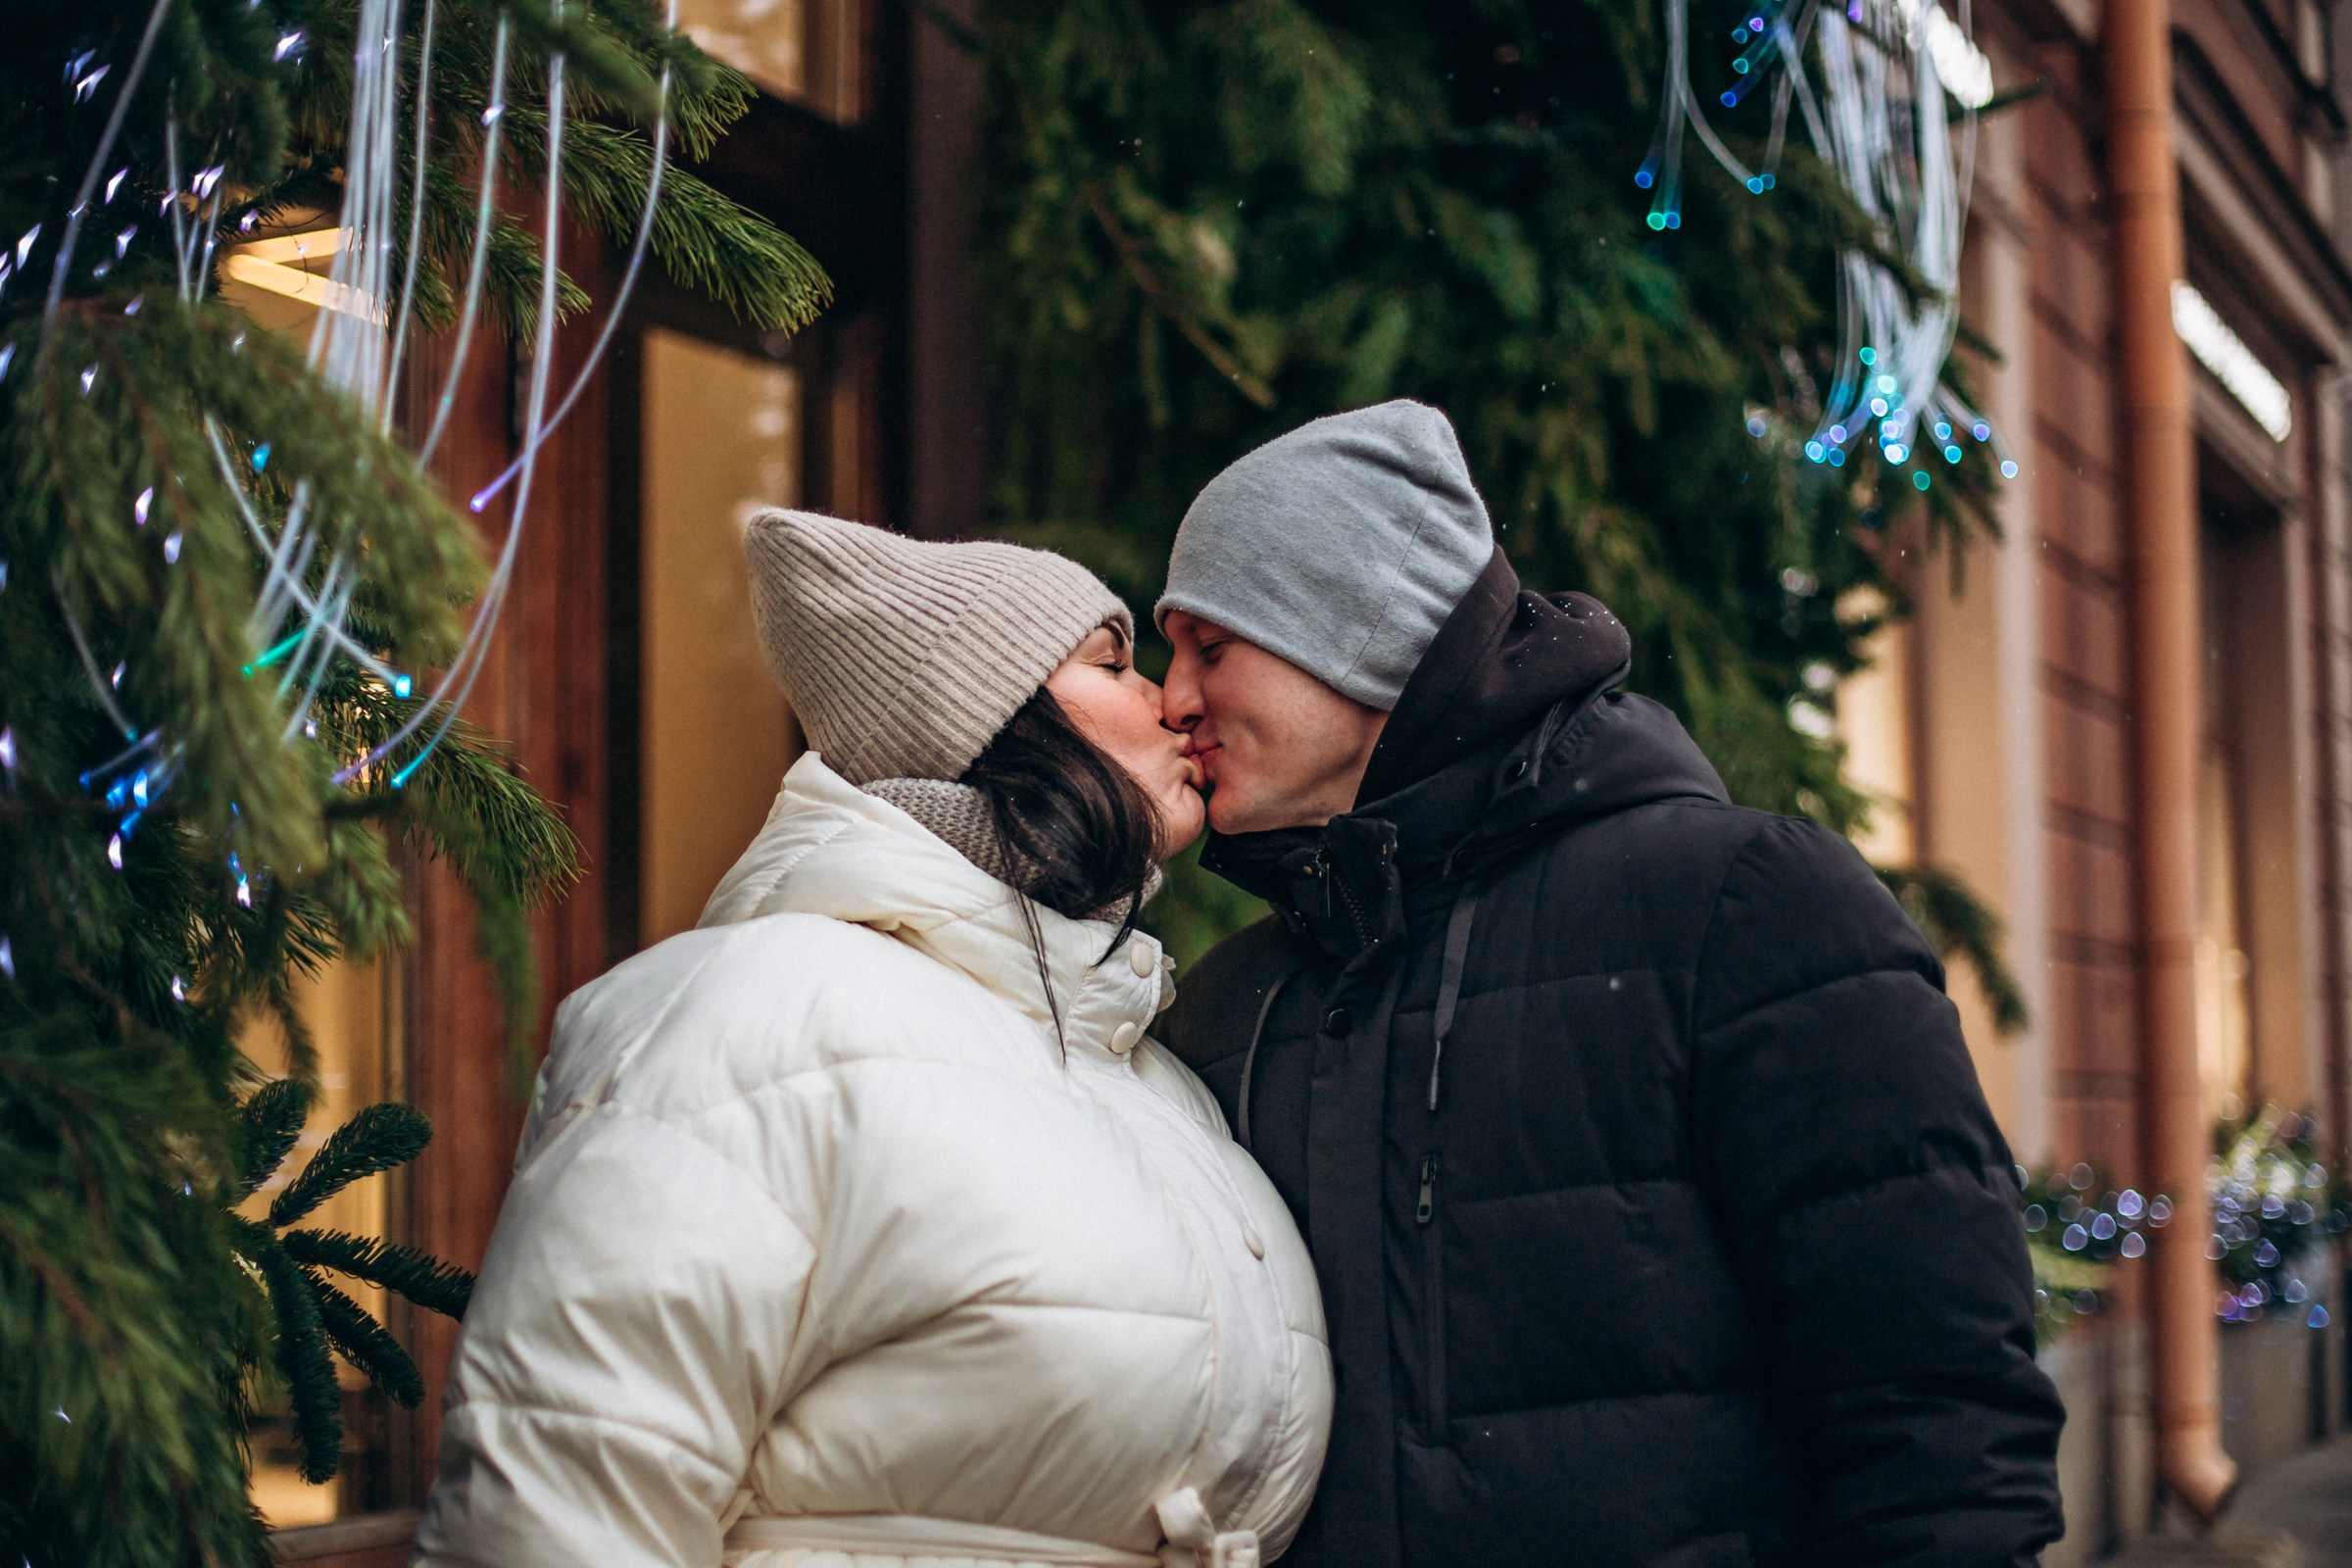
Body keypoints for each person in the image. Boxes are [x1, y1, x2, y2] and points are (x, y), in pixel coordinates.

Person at [1154, 401, 2066, 1568]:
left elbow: (1935, 1428)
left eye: (1213, 647)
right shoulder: (1233, 1008)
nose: (1174, 696)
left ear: (1362, 628)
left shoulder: (1742, 911)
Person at [415, 510, 1331, 1568]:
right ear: (982, 720)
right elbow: (560, 1501)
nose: (1171, 700)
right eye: (1113, 662)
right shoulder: (752, 1018)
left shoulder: (1152, 1081)